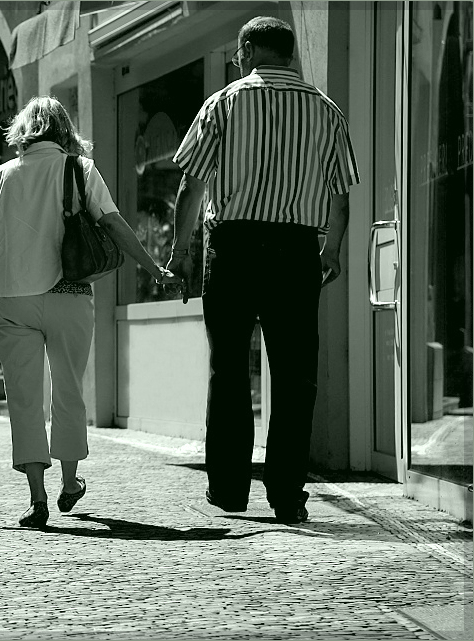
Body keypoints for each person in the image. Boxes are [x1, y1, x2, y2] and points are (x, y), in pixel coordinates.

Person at [0, 96, 179, 528]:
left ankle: (37, 499)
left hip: (12, 301)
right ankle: (69, 482)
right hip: (68, 295)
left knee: (24, 399)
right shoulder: (79, 170)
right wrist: (154, 268)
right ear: (64, 130)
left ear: (22, 132)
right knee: (68, 389)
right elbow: (115, 224)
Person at [167, 16, 360, 524]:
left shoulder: (224, 103)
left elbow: (191, 185)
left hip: (232, 247)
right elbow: (341, 198)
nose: (236, 60)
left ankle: (230, 491)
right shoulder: (327, 111)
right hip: (297, 249)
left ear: (250, 50)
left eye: (237, 52)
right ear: (290, 54)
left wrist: (180, 251)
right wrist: (332, 251)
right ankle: (286, 495)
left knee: (228, 368)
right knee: (297, 376)